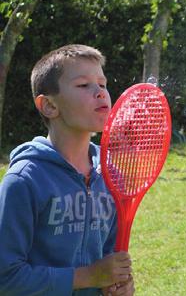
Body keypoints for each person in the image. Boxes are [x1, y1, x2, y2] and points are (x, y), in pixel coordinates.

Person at [0, 44, 135, 295]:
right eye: (84, 85)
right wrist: (87, 277)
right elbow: (6, 278)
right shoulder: (24, 181)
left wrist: (118, 283)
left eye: (103, 84)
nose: (100, 93)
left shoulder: (110, 176)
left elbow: (108, 256)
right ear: (49, 106)